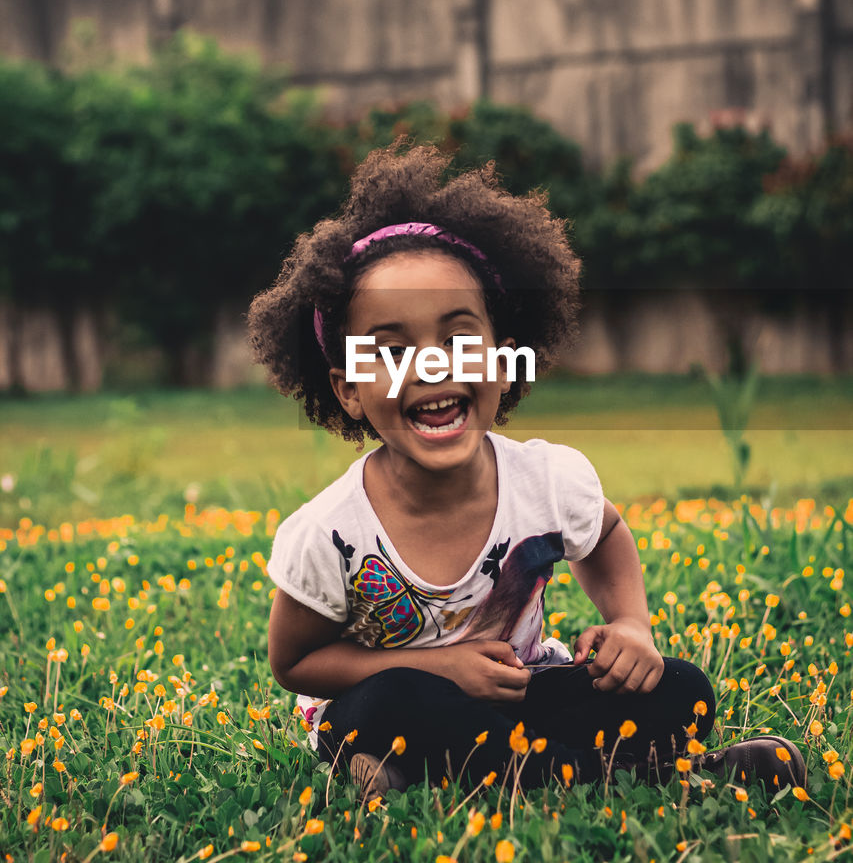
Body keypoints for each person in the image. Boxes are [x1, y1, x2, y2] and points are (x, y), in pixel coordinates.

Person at [249, 141, 805, 802]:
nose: (432, 366)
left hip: (525, 696)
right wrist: (440, 668)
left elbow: (603, 533)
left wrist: (629, 624)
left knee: (679, 688)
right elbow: (296, 663)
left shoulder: (545, 479)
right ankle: (656, 776)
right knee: (388, 705)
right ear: (347, 390)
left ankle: (452, 777)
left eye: (457, 338)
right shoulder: (330, 533)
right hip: (393, 709)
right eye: (393, 350)